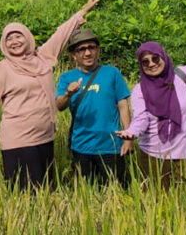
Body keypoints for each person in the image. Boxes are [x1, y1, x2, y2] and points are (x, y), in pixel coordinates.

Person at [0, 0, 101, 190]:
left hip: (45, 137)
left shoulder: (42, 57)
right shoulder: (3, 69)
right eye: (9, 39)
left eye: (18, 36)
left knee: (45, 191)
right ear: (4, 45)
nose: (14, 41)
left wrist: (83, 10)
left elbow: (61, 34)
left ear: (28, 38)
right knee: (24, 193)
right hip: (18, 140)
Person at [115, 21, 186, 188]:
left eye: (155, 58)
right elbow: (141, 118)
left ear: (163, 56)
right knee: (155, 203)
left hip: (185, 152)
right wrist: (131, 133)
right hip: (153, 154)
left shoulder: (184, 76)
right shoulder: (139, 90)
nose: (151, 63)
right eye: (145, 62)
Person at [55, 27, 132, 185]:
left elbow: (123, 105)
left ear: (98, 50)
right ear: (74, 55)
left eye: (91, 47)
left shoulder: (112, 73)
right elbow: (59, 105)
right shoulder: (67, 77)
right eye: (81, 49)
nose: (87, 53)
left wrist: (128, 138)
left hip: (112, 146)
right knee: (85, 195)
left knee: (117, 194)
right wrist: (68, 93)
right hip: (81, 146)